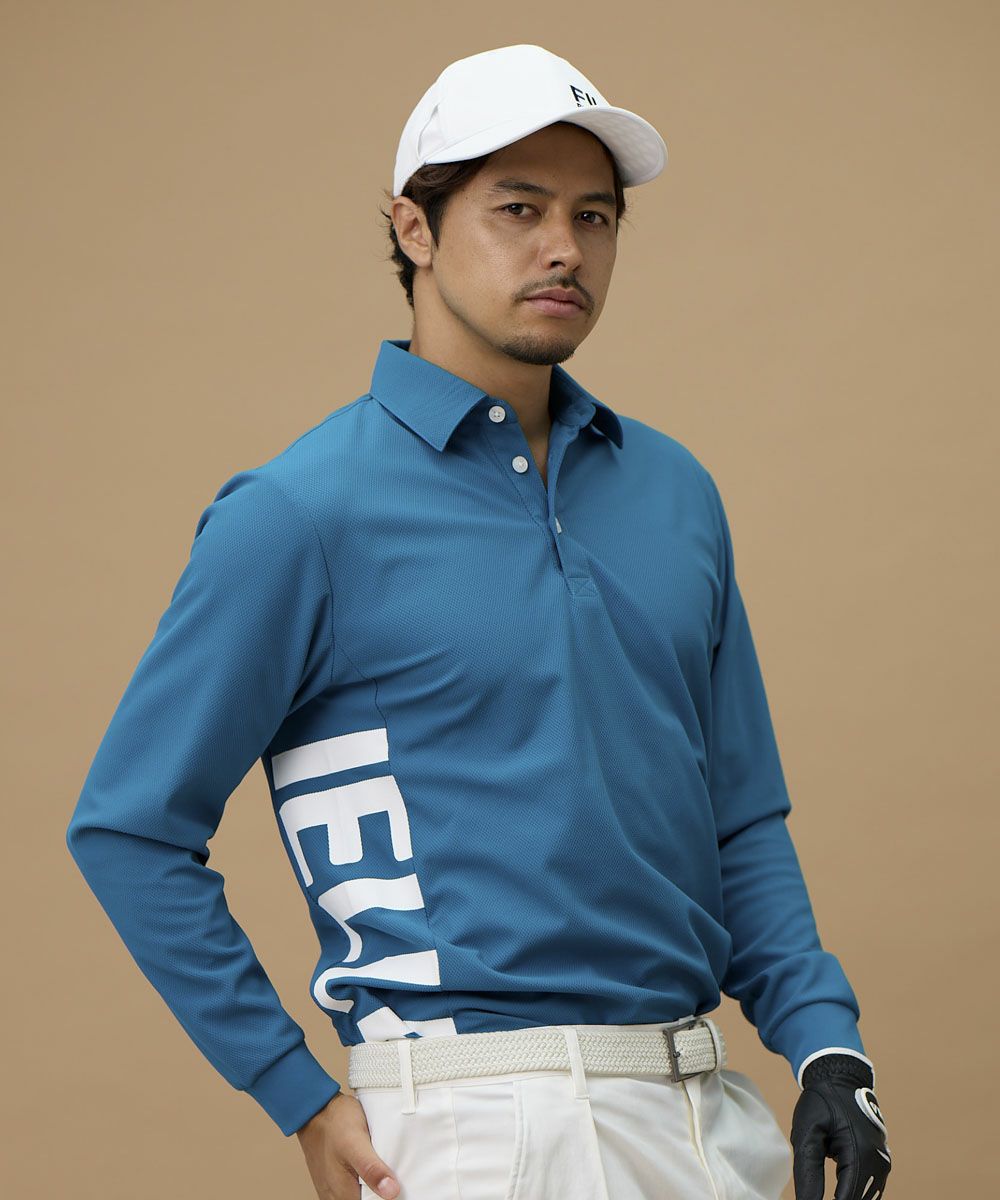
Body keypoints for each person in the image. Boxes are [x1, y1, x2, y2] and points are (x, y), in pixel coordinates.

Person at [65, 42, 892, 1200]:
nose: (565, 247)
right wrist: (292, 1089)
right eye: (519, 208)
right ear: (414, 229)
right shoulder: (299, 514)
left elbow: (739, 816)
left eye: (594, 216)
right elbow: (129, 827)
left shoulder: (674, 493)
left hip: (706, 1116)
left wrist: (825, 1048)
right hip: (470, 1127)